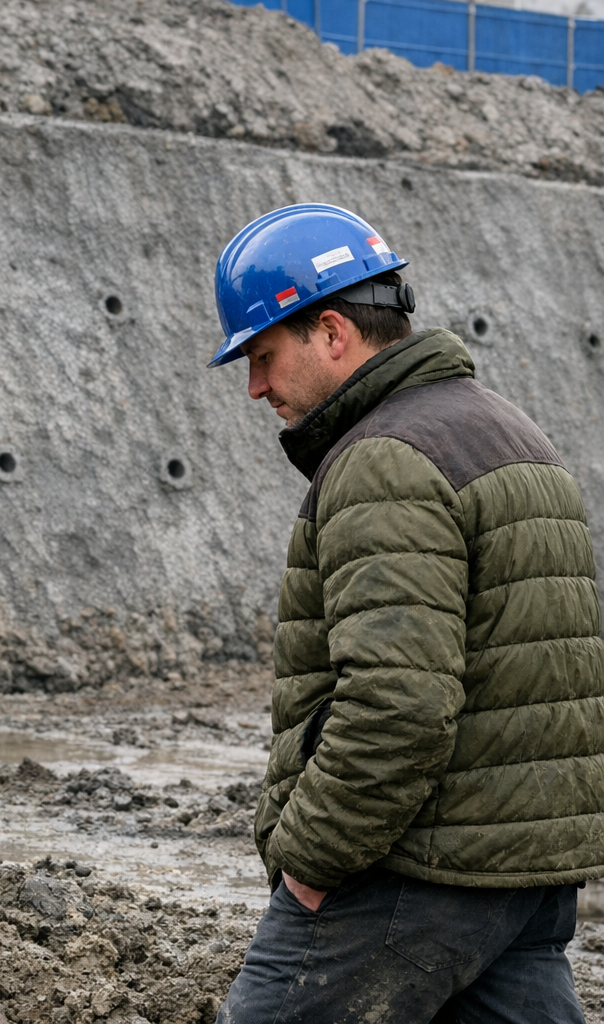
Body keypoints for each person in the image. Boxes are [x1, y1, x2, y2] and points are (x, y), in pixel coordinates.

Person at [208, 204, 604, 1023]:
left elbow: (398, 702)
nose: (255, 387)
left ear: (331, 331)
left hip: (411, 874)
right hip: (523, 875)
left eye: (263, 355)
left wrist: (310, 862)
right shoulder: (510, 434)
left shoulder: (386, 460)